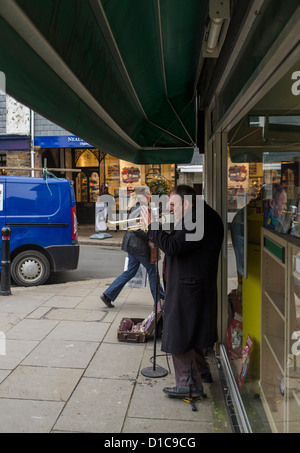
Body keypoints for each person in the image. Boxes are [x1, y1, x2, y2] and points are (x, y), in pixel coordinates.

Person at [141, 185, 224, 399]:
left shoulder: (199, 218)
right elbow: (180, 241)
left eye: (172, 205)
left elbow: (173, 246)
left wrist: (152, 226)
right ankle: (202, 372)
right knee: (191, 330)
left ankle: (188, 384)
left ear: (186, 203)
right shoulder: (199, 214)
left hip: (190, 286)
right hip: (192, 284)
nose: (170, 210)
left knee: (181, 333)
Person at [100, 186, 165, 308]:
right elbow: (136, 230)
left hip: (132, 245)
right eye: (149, 194)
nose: (151, 196)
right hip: (138, 246)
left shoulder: (136, 206)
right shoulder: (141, 208)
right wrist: (150, 234)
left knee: (130, 271)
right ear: (144, 196)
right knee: (152, 271)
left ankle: (108, 295)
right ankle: (160, 300)